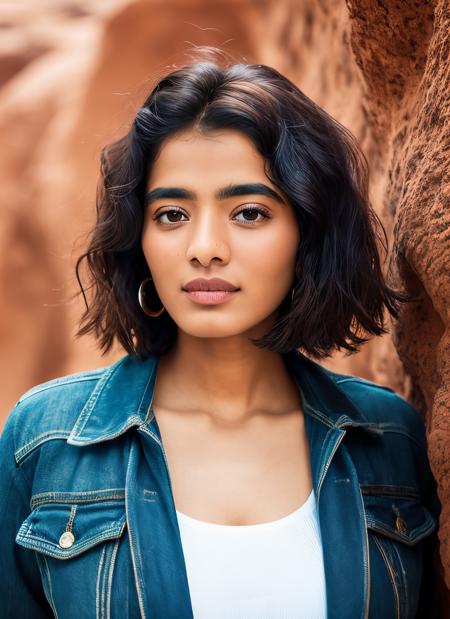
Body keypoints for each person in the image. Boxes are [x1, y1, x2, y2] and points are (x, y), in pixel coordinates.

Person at [0, 52, 441, 619]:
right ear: (140, 237)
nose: (204, 246)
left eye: (249, 212)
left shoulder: (388, 440)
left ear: (307, 231)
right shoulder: (46, 441)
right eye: (172, 215)